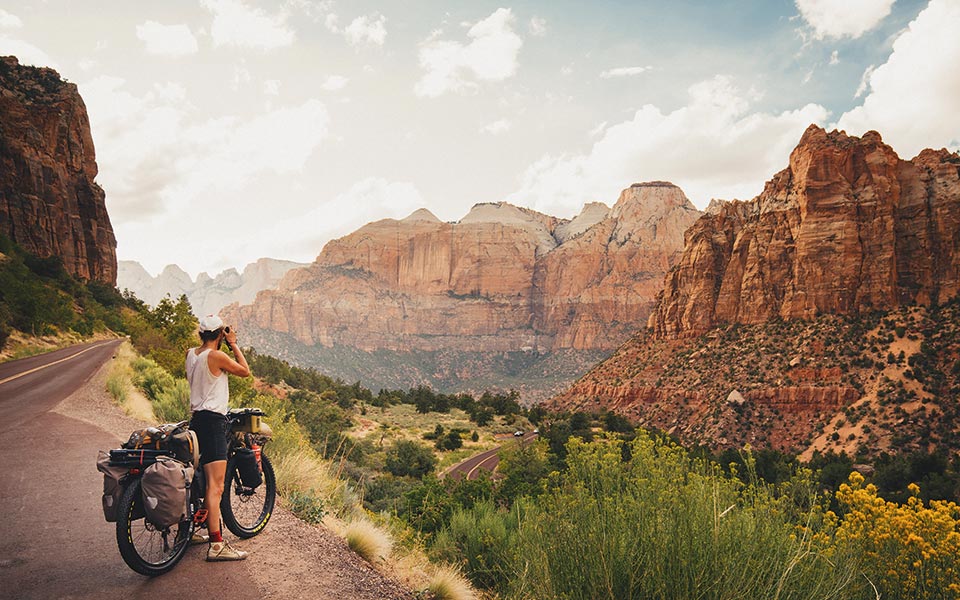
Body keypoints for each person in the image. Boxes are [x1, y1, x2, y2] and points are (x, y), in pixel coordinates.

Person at [185, 314, 251, 562]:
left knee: (198, 478)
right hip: (213, 424)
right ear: (219, 334)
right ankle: (217, 545)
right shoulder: (217, 355)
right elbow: (245, 371)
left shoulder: (191, 353)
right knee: (216, 486)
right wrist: (233, 343)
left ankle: (190, 530)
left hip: (196, 422)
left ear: (201, 333)